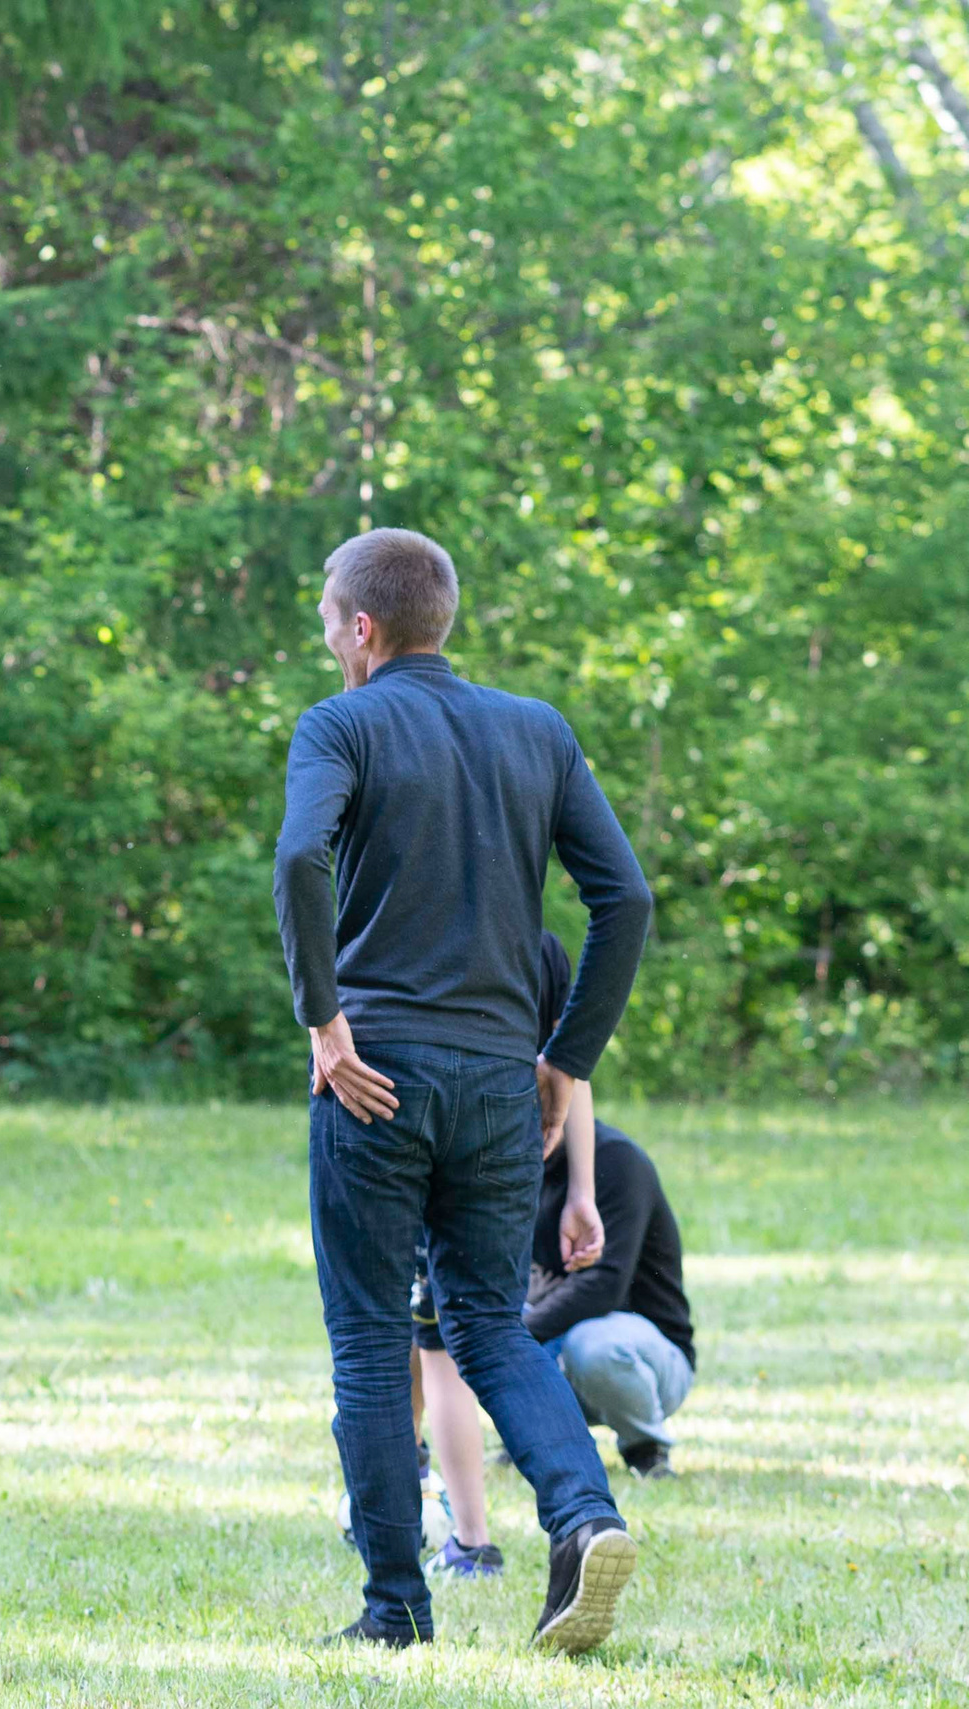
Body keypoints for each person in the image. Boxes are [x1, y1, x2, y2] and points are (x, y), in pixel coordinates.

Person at [273, 528, 655, 1654]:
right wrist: (565, 1057)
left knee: (366, 1339)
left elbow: (298, 859)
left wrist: (323, 1019)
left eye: (327, 623)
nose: (329, 642)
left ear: (360, 626)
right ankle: (582, 1516)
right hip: (498, 1082)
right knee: (489, 1325)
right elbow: (625, 898)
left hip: (372, 1078)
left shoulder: (338, 725)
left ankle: (395, 1607)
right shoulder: (538, 729)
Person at [409, 932, 606, 1580]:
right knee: (466, 1329)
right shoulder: (541, 946)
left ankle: (470, 1540)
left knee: (443, 1344)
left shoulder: (424, 929)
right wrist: (582, 1190)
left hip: (430, 1141)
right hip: (513, 1148)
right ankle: (411, 1473)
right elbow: (571, 1068)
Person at [527, 1076, 697, 1480]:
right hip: (558, 1347)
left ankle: (645, 1448)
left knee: (592, 1346)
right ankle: (529, 1438)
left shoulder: (617, 1161)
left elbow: (604, 1286)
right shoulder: (509, 1163)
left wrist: (511, 1337)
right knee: (470, 1322)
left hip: (644, 1357)